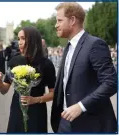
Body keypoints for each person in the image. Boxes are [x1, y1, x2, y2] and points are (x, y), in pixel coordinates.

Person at [51, 2, 117, 133]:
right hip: (64, 122)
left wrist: (81, 106)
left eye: (59, 20)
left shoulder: (95, 45)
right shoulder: (68, 48)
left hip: (90, 124)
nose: (56, 25)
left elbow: (111, 83)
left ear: (72, 20)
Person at [0, 26, 56, 133]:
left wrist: (35, 100)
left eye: (23, 38)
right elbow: (4, 90)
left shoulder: (46, 64)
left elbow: (53, 94)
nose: (20, 42)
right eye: (18, 39)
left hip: (37, 111)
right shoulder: (14, 61)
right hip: (17, 109)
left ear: (33, 40)